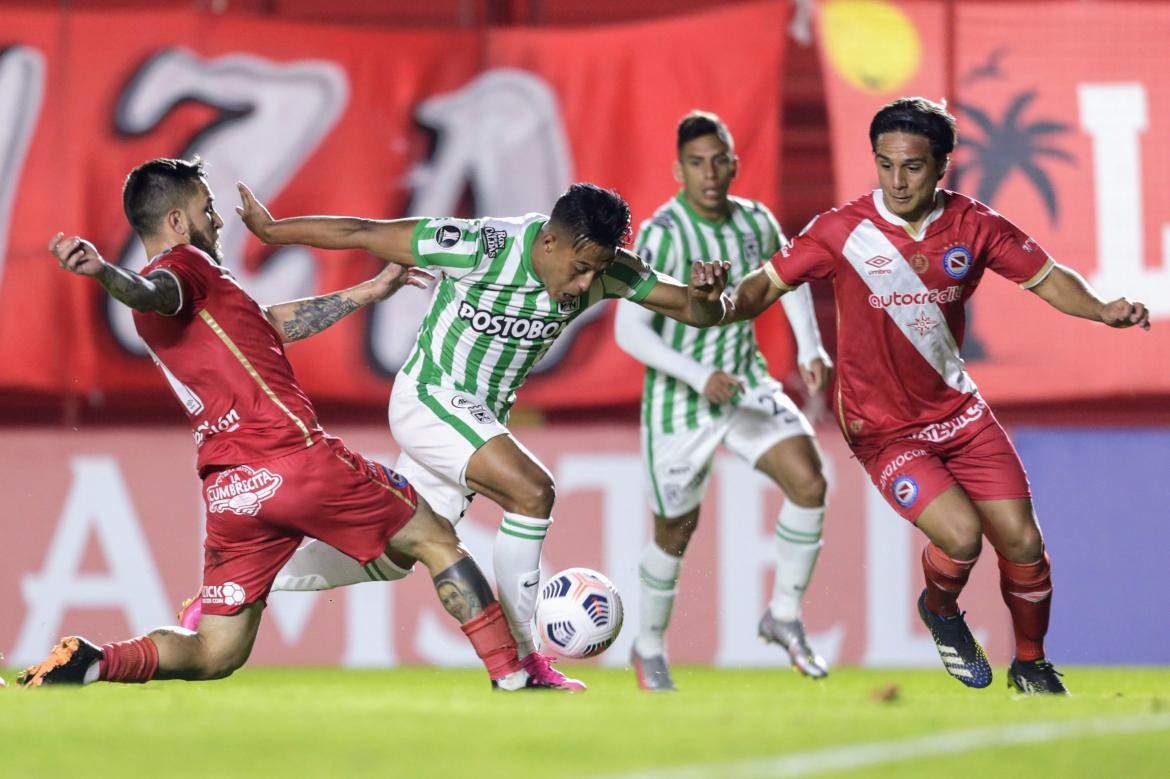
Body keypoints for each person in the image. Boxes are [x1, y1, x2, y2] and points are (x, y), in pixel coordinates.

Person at [18, 158, 532, 691]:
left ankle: (93, 660)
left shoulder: (206, 297)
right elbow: (152, 290)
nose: (217, 222)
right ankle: (514, 675)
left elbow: (268, 326)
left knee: (216, 652)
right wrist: (104, 272)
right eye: (207, 209)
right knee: (435, 538)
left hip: (231, 491)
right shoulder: (182, 267)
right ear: (175, 221)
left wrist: (366, 293)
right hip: (295, 459)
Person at [211, 181, 731, 691]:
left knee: (393, 556)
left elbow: (692, 309)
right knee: (533, 490)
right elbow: (363, 231)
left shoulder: (607, 268)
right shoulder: (483, 246)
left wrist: (708, 299)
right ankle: (527, 659)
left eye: (595, 271)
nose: (584, 285)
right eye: (578, 269)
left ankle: (242, 582)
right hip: (430, 398)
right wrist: (273, 231)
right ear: (549, 241)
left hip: (477, 420)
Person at [721, 97, 1150, 695]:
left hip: (959, 412)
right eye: (885, 164)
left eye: (914, 167)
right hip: (883, 428)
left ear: (942, 166)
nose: (897, 180)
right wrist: (720, 299)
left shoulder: (974, 226)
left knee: (1025, 543)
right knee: (961, 536)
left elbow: (1049, 279)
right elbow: (761, 287)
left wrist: (1102, 310)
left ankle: (1030, 665)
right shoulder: (841, 231)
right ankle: (942, 612)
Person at [615, 111, 833, 691]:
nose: (708, 173)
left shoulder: (756, 221)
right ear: (678, 169)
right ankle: (650, 646)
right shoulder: (662, 234)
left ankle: (783, 615)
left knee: (810, 482)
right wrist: (696, 373)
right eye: (696, 163)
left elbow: (787, 279)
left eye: (718, 161)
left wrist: (810, 347)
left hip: (744, 383)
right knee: (675, 532)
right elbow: (629, 332)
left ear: (734, 164)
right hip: (680, 402)